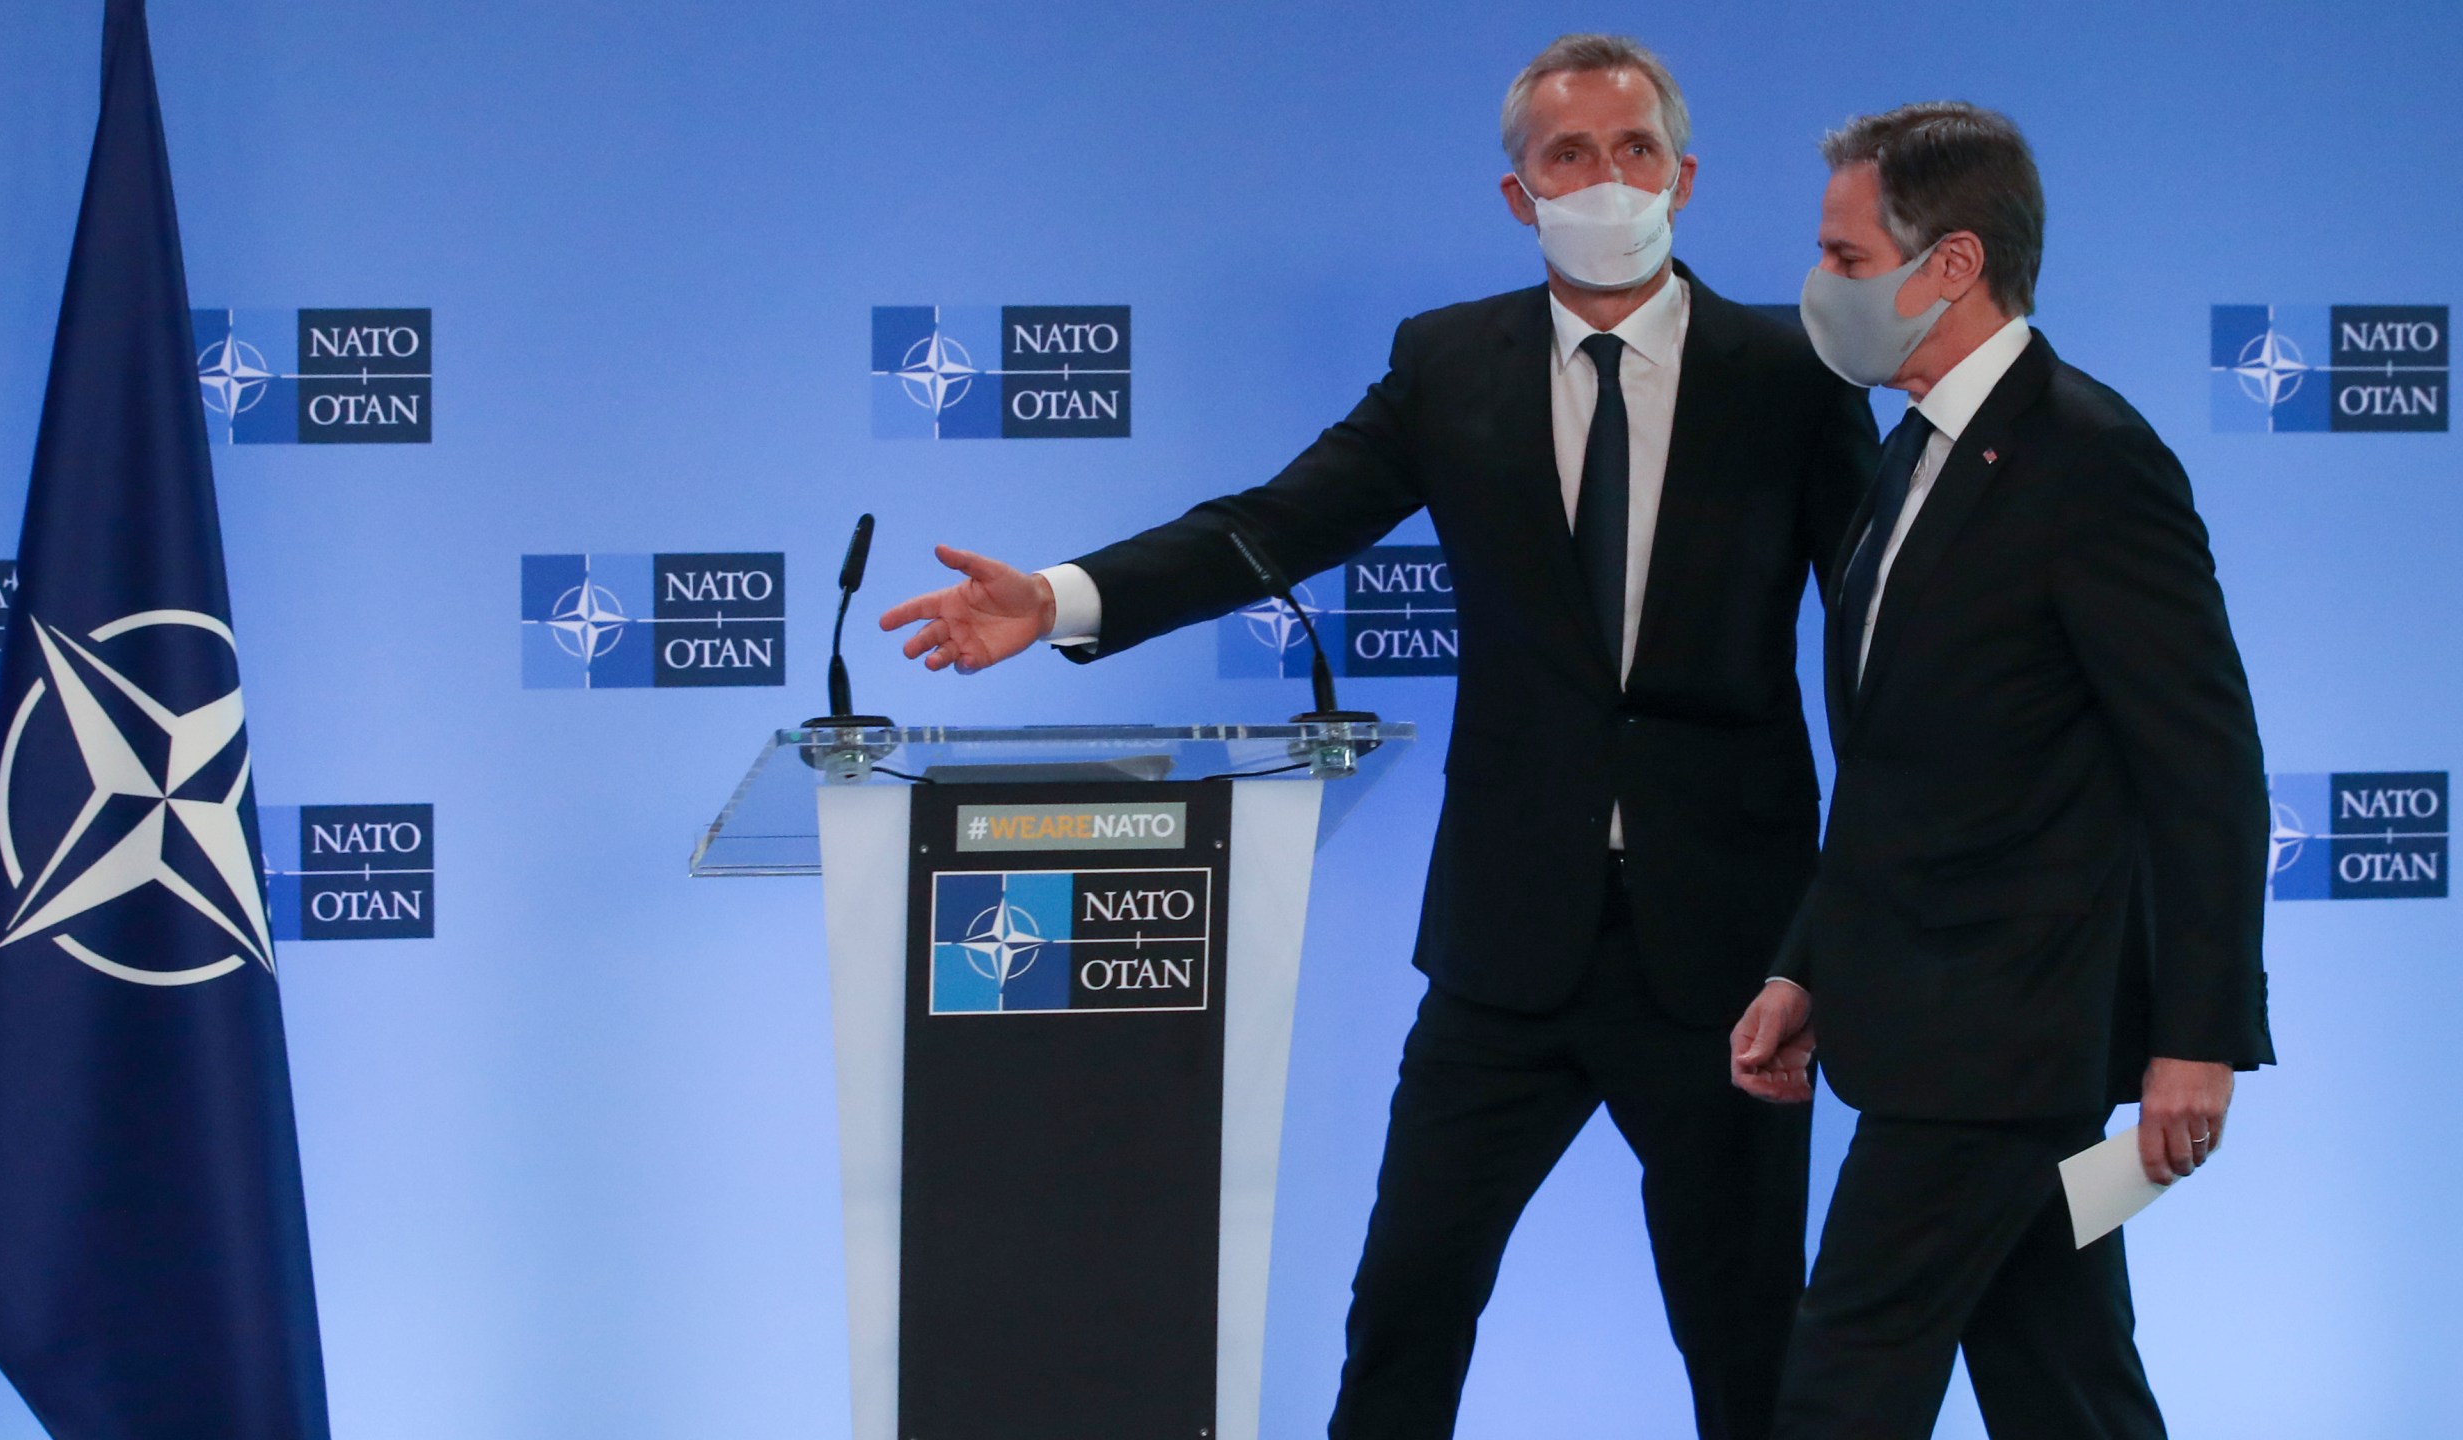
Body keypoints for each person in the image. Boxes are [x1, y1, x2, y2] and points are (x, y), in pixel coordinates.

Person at [883, 35, 1873, 1440]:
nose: (1606, 178)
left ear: (1686, 178)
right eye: (1568, 155)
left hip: (1729, 959)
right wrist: (1057, 600)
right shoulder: (1449, 361)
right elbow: (1275, 526)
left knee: (1752, 1348)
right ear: (1518, 196)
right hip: (1503, 953)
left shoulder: (1793, 373)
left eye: (1633, 150)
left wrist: (1833, 937)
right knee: (1404, 1314)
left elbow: (1884, 641)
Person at [1728, 102, 2275, 1439]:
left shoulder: (2092, 460)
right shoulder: (1905, 451)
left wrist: (2197, 1035)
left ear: (1952, 265)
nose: (1823, 288)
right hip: (1925, 1014)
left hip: (1998, 1043)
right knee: (2065, 1384)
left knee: (1843, 1384)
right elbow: (1905, 772)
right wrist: (1811, 960)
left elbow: (2203, 765)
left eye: (1847, 259)